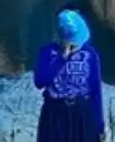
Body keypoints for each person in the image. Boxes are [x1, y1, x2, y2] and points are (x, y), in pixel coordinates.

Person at [33, 9, 106, 142]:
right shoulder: (48, 52)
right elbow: (39, 81)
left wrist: (99, 125)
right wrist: (61, 58)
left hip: (82, 112)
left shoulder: (90, 54)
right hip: (55, 114)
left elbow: (95, 91)